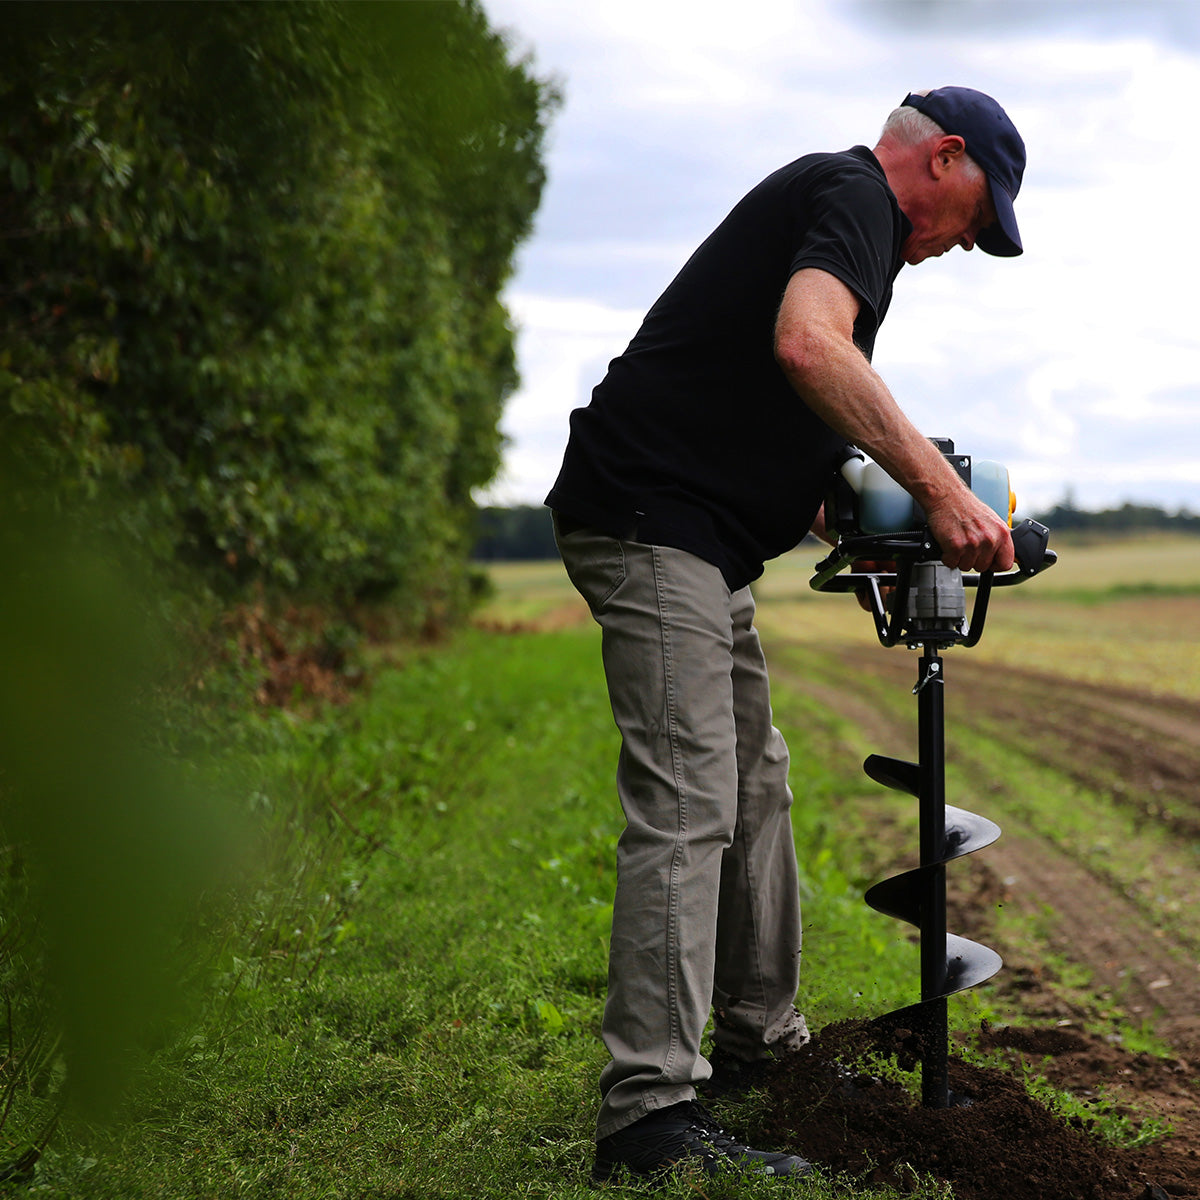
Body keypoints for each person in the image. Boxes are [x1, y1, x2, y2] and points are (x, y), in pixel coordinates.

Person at [545, 87, 1025, 1183]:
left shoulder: (841, 213)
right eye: (979, 215)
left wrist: (854, 514)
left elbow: (775, 402)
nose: (967, 244)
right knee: (689, 800)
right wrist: (942, 491)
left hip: (703, 537)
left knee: (756, 787)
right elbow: (810, 348)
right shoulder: (854, 194)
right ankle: (649, 1116)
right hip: (651, 518)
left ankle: (765, 1048)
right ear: (943, 158)